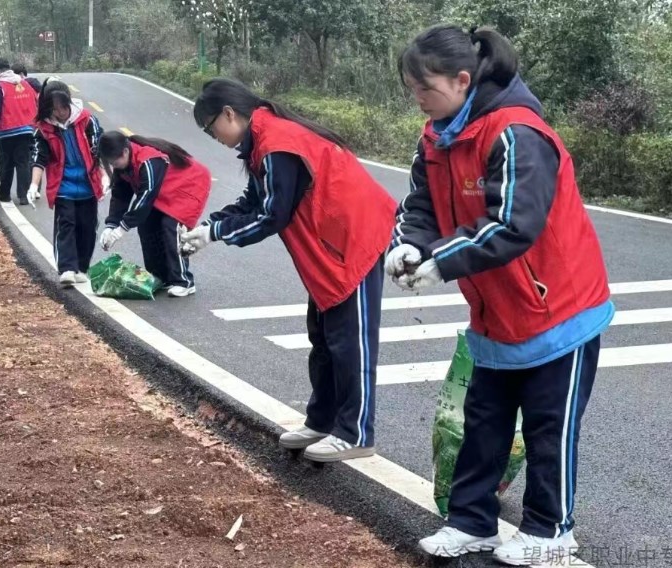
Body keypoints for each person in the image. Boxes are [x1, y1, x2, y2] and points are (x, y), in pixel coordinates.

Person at [387, 24, 615, 564]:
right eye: (412, 89)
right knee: (483, 422)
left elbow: (514, 223)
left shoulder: (517, 133)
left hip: (560, 310)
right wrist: (409, 245)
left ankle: (550, 532)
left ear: (462, 80)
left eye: (425, 88)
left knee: (548, 428)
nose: (418, 99)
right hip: (496, 312)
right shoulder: (435, 139)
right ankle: (471, 522)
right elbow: (420, 206)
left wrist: (442, 262)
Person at [181, 78, 397, 462]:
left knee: (351, 342)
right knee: (324, 337)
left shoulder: (278, 143)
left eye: (211, 129)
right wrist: (211, 225)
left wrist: (216, 233)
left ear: (229, 114)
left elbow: (272, 215)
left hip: (355, 241)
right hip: (328, 250)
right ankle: (322, 421)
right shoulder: (262, 143)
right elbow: (255, 200)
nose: (214, 138)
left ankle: (357, 433)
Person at [97, 131, 211, 297]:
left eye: (115, 161)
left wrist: (121, 229)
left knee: (171, 226)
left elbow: (146, 197)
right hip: (163, 191)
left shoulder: (148, 160)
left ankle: (184, 281)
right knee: (146, 225)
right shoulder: (123, 165)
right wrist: (111, 225)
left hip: (189, 186)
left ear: (125, 152)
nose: (114, 165)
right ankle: (160, 277)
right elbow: (120, 196)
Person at [29, 79, 105, 287]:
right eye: (54, 109)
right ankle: (67, 268)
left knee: (88, 227)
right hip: (63, 185)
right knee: (66, 225)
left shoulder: (87, 121)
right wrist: (34, 185)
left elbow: (99, 151)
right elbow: (39, 159)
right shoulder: (44, 129)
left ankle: (82, 267)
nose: (60, 113)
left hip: (88, 184)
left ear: (69, 103)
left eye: (63, 107)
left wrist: (105, 176)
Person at [0, 58, 37, 205]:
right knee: (23, 162)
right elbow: (35, 103)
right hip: (26, 130)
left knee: (6, 164)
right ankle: (24, 196)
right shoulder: (25, 84)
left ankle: (4, 194)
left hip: (6, 131)